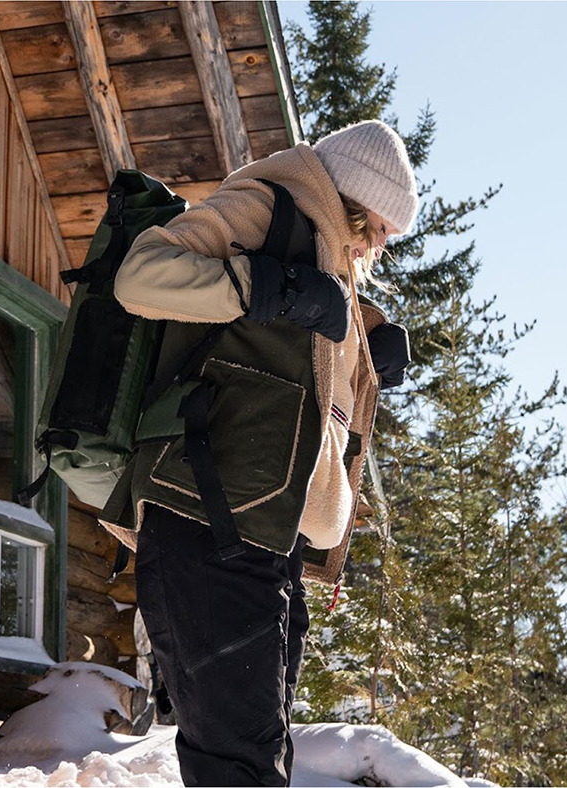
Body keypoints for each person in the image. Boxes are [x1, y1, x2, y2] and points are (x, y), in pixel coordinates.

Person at [110, 120, 417, 786]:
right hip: (206, 524)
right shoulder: (266, 207)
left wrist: (371, 350)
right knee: (241, 768)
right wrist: (268, 286)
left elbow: (297, 351)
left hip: (263, 539)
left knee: (257, 761)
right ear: (353, 204)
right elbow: (141, 275)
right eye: (382, 228)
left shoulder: (327, 254)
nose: (384, 244)